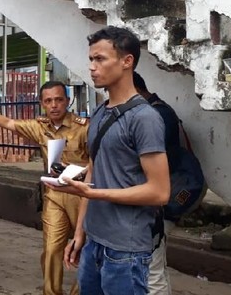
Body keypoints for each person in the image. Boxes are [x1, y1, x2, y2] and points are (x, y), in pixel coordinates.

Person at [57, 26, 170, 295]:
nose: (92, 67)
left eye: (100, 59)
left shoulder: (145, 118)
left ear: (126, 61)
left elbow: (160, 191)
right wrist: (80, 233)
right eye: (91, 60)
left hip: (126, 249)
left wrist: (95, 194)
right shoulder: (100, 112)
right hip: (94, 240)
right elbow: (94, 170)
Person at [0, 81, 88, 295]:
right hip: (54, 194)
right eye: (48, 101)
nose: (54, 105)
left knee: (85, 249)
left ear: (67, 101)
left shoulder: (84, 128)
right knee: (52, 248)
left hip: (81, 196)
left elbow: (97, 162)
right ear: (42, 104)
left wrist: (80, 171)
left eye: (59, 100)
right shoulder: (39, 126)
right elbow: (8, 123)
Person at [133, 71, 179, 295]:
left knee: (151, 269)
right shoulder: (161, 110)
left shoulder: (154, 116)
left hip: (159, 201)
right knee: (157, 266)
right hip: (161, 198)